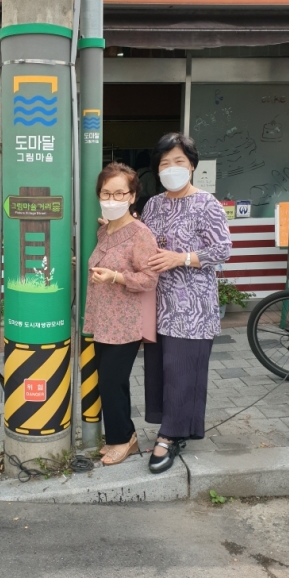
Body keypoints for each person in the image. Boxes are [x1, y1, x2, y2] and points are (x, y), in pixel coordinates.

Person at [141, 133, 232, 474]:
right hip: (158, 304)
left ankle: (169, 435)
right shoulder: (153, 205)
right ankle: (172, 424)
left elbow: (222, 250)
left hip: (192, 306)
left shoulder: (207, 203)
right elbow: (146, 245)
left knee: (181, 372)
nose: (172, 168)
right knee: (161, 372)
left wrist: (181, 258)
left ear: (192, 165)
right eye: (165, 163)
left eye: (179, 161)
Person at [84, 162, 159, 466]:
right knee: (112, 381)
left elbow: (150, 279)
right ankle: (125, 435)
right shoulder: (105, 230)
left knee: (111, 383)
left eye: (119, 193)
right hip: (103, 320)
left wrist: (115, 277)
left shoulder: (140, 234)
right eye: (106, 193)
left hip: (125, 322)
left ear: (132, 196)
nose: (111, 199)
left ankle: (120, 440)